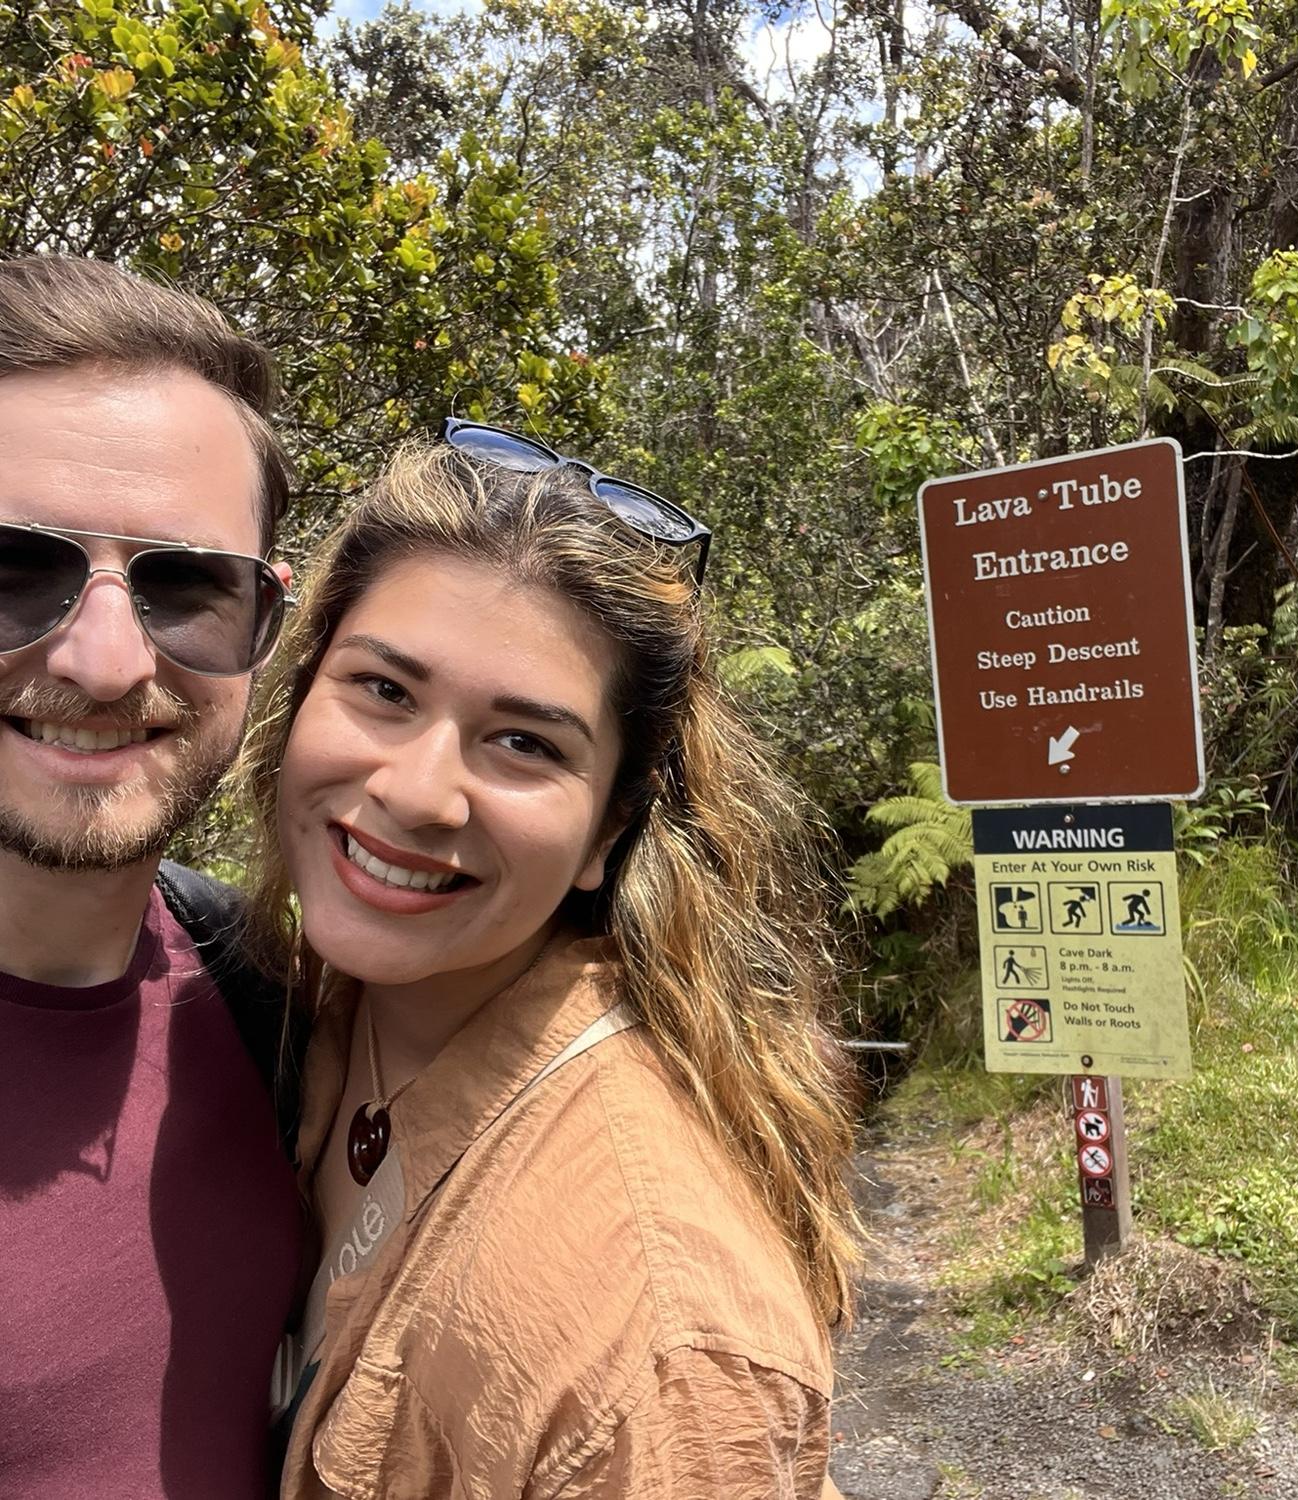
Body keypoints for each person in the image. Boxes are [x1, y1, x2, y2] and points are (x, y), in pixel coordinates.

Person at [238, 430, 860, 1498]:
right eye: (383, 689)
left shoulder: (648, 1344)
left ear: (609, 830)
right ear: (300, 698)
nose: (417, 792)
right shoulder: (307, 1017)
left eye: (525, 743)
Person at [0, 255, 304, 1499]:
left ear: (267, 626)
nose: (109, 662)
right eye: (13, 571)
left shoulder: (272, 1001)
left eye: (187, 587)